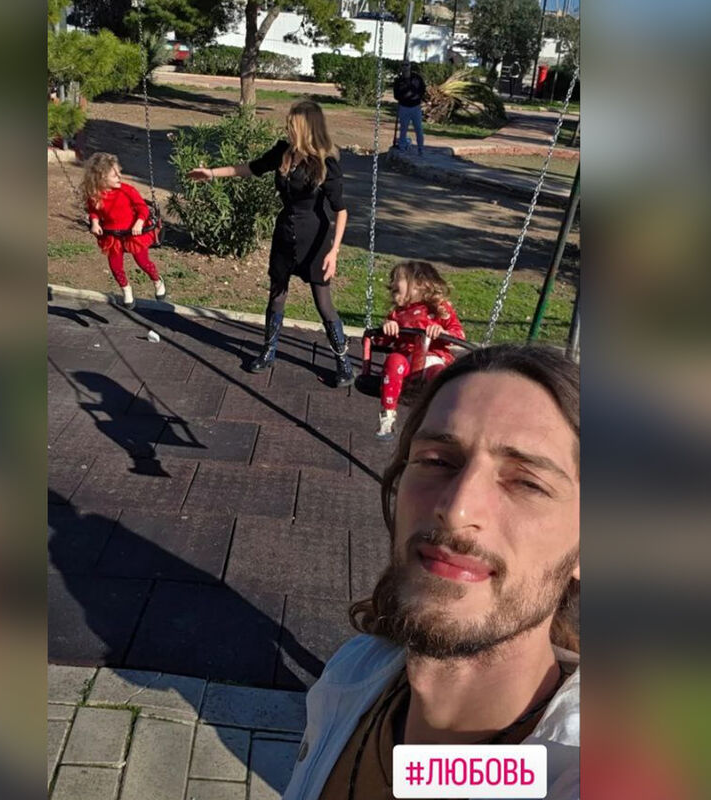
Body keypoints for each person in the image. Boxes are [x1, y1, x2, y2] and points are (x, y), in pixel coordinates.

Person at [282, 344, 581, 800]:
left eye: (526, 482)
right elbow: (423, 776)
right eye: (437, 461)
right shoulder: (354, 673)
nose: (456, 510)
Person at [187, 100, 354, 387]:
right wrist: (212, 173)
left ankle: (344, 362)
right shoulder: (282, 152)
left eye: (292, 123)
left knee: (323, 303)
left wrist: (334, 252)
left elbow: (341, 210)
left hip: (315, 238)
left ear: (306, 127)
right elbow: (250, 168)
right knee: (277, 294)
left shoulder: (325, 163)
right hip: (285, 233)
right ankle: (268, 351)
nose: (287, 127)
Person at [370, 261, 466, 441]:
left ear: (419, 284)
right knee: (393, 360)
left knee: (440, 375)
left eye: (398, 280)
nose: (392, 283)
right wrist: (387, 328)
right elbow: (380, 342)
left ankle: (438, 420)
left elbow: (459, 336)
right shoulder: (397, 314)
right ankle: (387, 416)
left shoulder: (440, 308)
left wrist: (443, 333)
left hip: (433, 359)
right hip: (405, 362)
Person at [80, 152, 165, 309]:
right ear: (101, 178)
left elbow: (142, 208)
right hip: (112, 235)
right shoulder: (95, 195)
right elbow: (94, 211)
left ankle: (157, 280)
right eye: (114, 175)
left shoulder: (127, 190)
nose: (120, 177)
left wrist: (139, 223)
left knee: (143, 262)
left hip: (133, 232)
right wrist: (95, 223)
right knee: (115, 266)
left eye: (119, 172)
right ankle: (126, 289)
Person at [393, 63, 427, 156]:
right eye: (403, 65)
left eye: (407, 65)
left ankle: (421, 148)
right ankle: (402, 147)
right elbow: (396, 95)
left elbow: (423, 89)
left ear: (410, 66)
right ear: (401, 67)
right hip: (404, 107)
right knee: (403, 128)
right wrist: (404, 96)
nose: (405, 67)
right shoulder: (399, 80)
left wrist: (417, 96)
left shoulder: (417, 78)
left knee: (418, 128)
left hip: (416, 107)